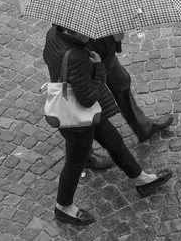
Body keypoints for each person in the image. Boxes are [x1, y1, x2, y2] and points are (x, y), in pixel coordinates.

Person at [43, 25, 173, 225]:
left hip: (87, 113)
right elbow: (88, 97)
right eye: (85, 31)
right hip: (78, 120)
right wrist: (98, 68)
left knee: (115, 141)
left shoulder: (53, 34)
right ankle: (63, 207)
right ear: (72, 30)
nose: (90, 34)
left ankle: (141, 179)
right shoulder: (76, 56)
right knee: (74, 163)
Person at [84, 32, 174, 169]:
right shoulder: (68, 27)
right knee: (85, 107)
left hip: (105, 52)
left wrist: (115, 36)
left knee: (121, 82)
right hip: (84, 62)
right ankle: (85, 155)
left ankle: (144, 127)